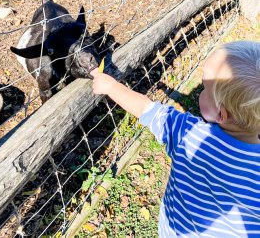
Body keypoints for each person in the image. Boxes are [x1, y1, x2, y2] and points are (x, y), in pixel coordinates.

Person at [90, 40, 260, 237]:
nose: (201, 90)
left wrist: (110, 86)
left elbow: (147, 109)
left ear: (221, 114)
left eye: (204, 88)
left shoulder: (189, 134)